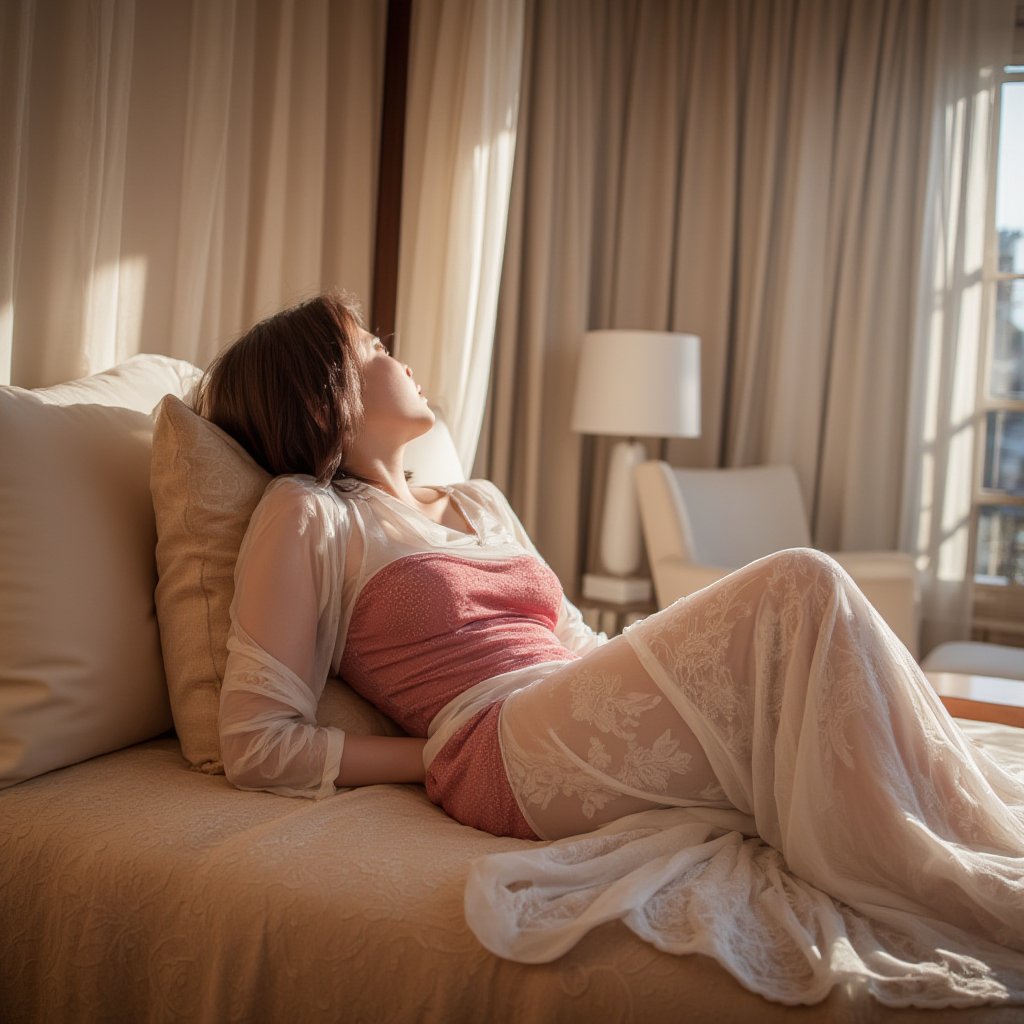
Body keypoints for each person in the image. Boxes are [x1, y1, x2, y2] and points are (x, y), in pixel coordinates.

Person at [198, 292, 1024, 1004]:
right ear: (324, 394)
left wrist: (674, 658)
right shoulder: (309, 514)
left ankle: (958, 832)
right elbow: (257, 743)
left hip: (572, 701)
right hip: (501, 745)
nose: (400, 356)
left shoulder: (478, 501)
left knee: (811, 683)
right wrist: (429, 755)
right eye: (373, 346)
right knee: (802, 585)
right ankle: (945, 869)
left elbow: (575, 639)